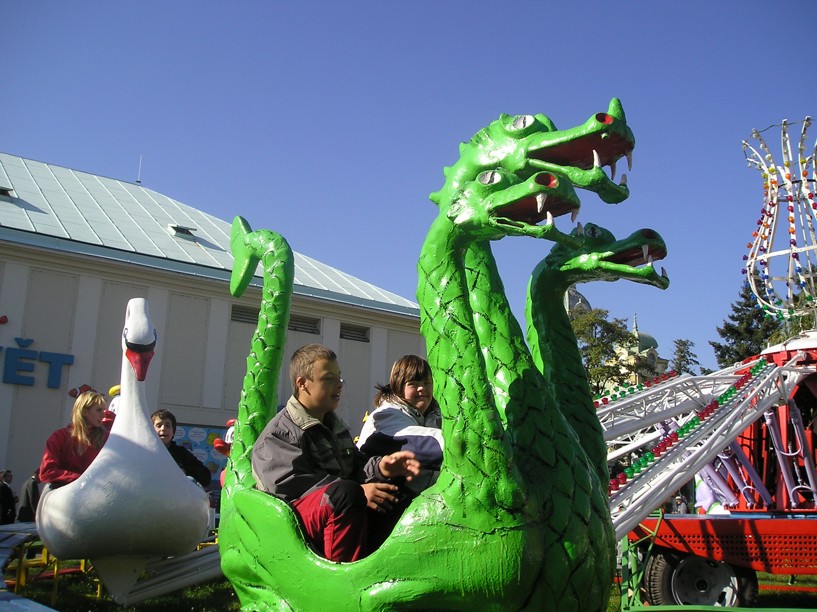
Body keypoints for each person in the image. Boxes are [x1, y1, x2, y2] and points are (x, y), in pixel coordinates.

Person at [252, 344, 421, 562]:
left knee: (392, 492)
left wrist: (382, 468)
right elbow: (290, 485)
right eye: (329, 379)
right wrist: (359, 491)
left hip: (339, 508)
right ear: (302, 384)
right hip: (294, 524)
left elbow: (355, 466)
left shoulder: (333, 425)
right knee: (345, 495)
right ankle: (341, 573)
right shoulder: (280, 433)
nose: (339, 385)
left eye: (339, 378)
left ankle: (388, 565)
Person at [357, 354, 443, 495]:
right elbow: (421, 444)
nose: (422, 388)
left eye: (427, 383)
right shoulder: (386, 415)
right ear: (398, 386)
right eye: (413, 383)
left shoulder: (434, 415)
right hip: (387, 501)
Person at [39, 391, 109, 487]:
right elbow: (47, 471)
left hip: (96, 490)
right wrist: (82, 480)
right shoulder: (60, 437)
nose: (103, 415)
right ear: (84, 411)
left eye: (104, 410)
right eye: (99, 410)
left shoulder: (107, 438)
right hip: (64, 490)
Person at [151, 409, 212, 488]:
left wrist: (183, 471)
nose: (163, 428)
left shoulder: (181, 453)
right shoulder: (144, 452)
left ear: (173, 432)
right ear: (151, 430)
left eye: (167, 425)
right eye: (158, 425)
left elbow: (205, 476)